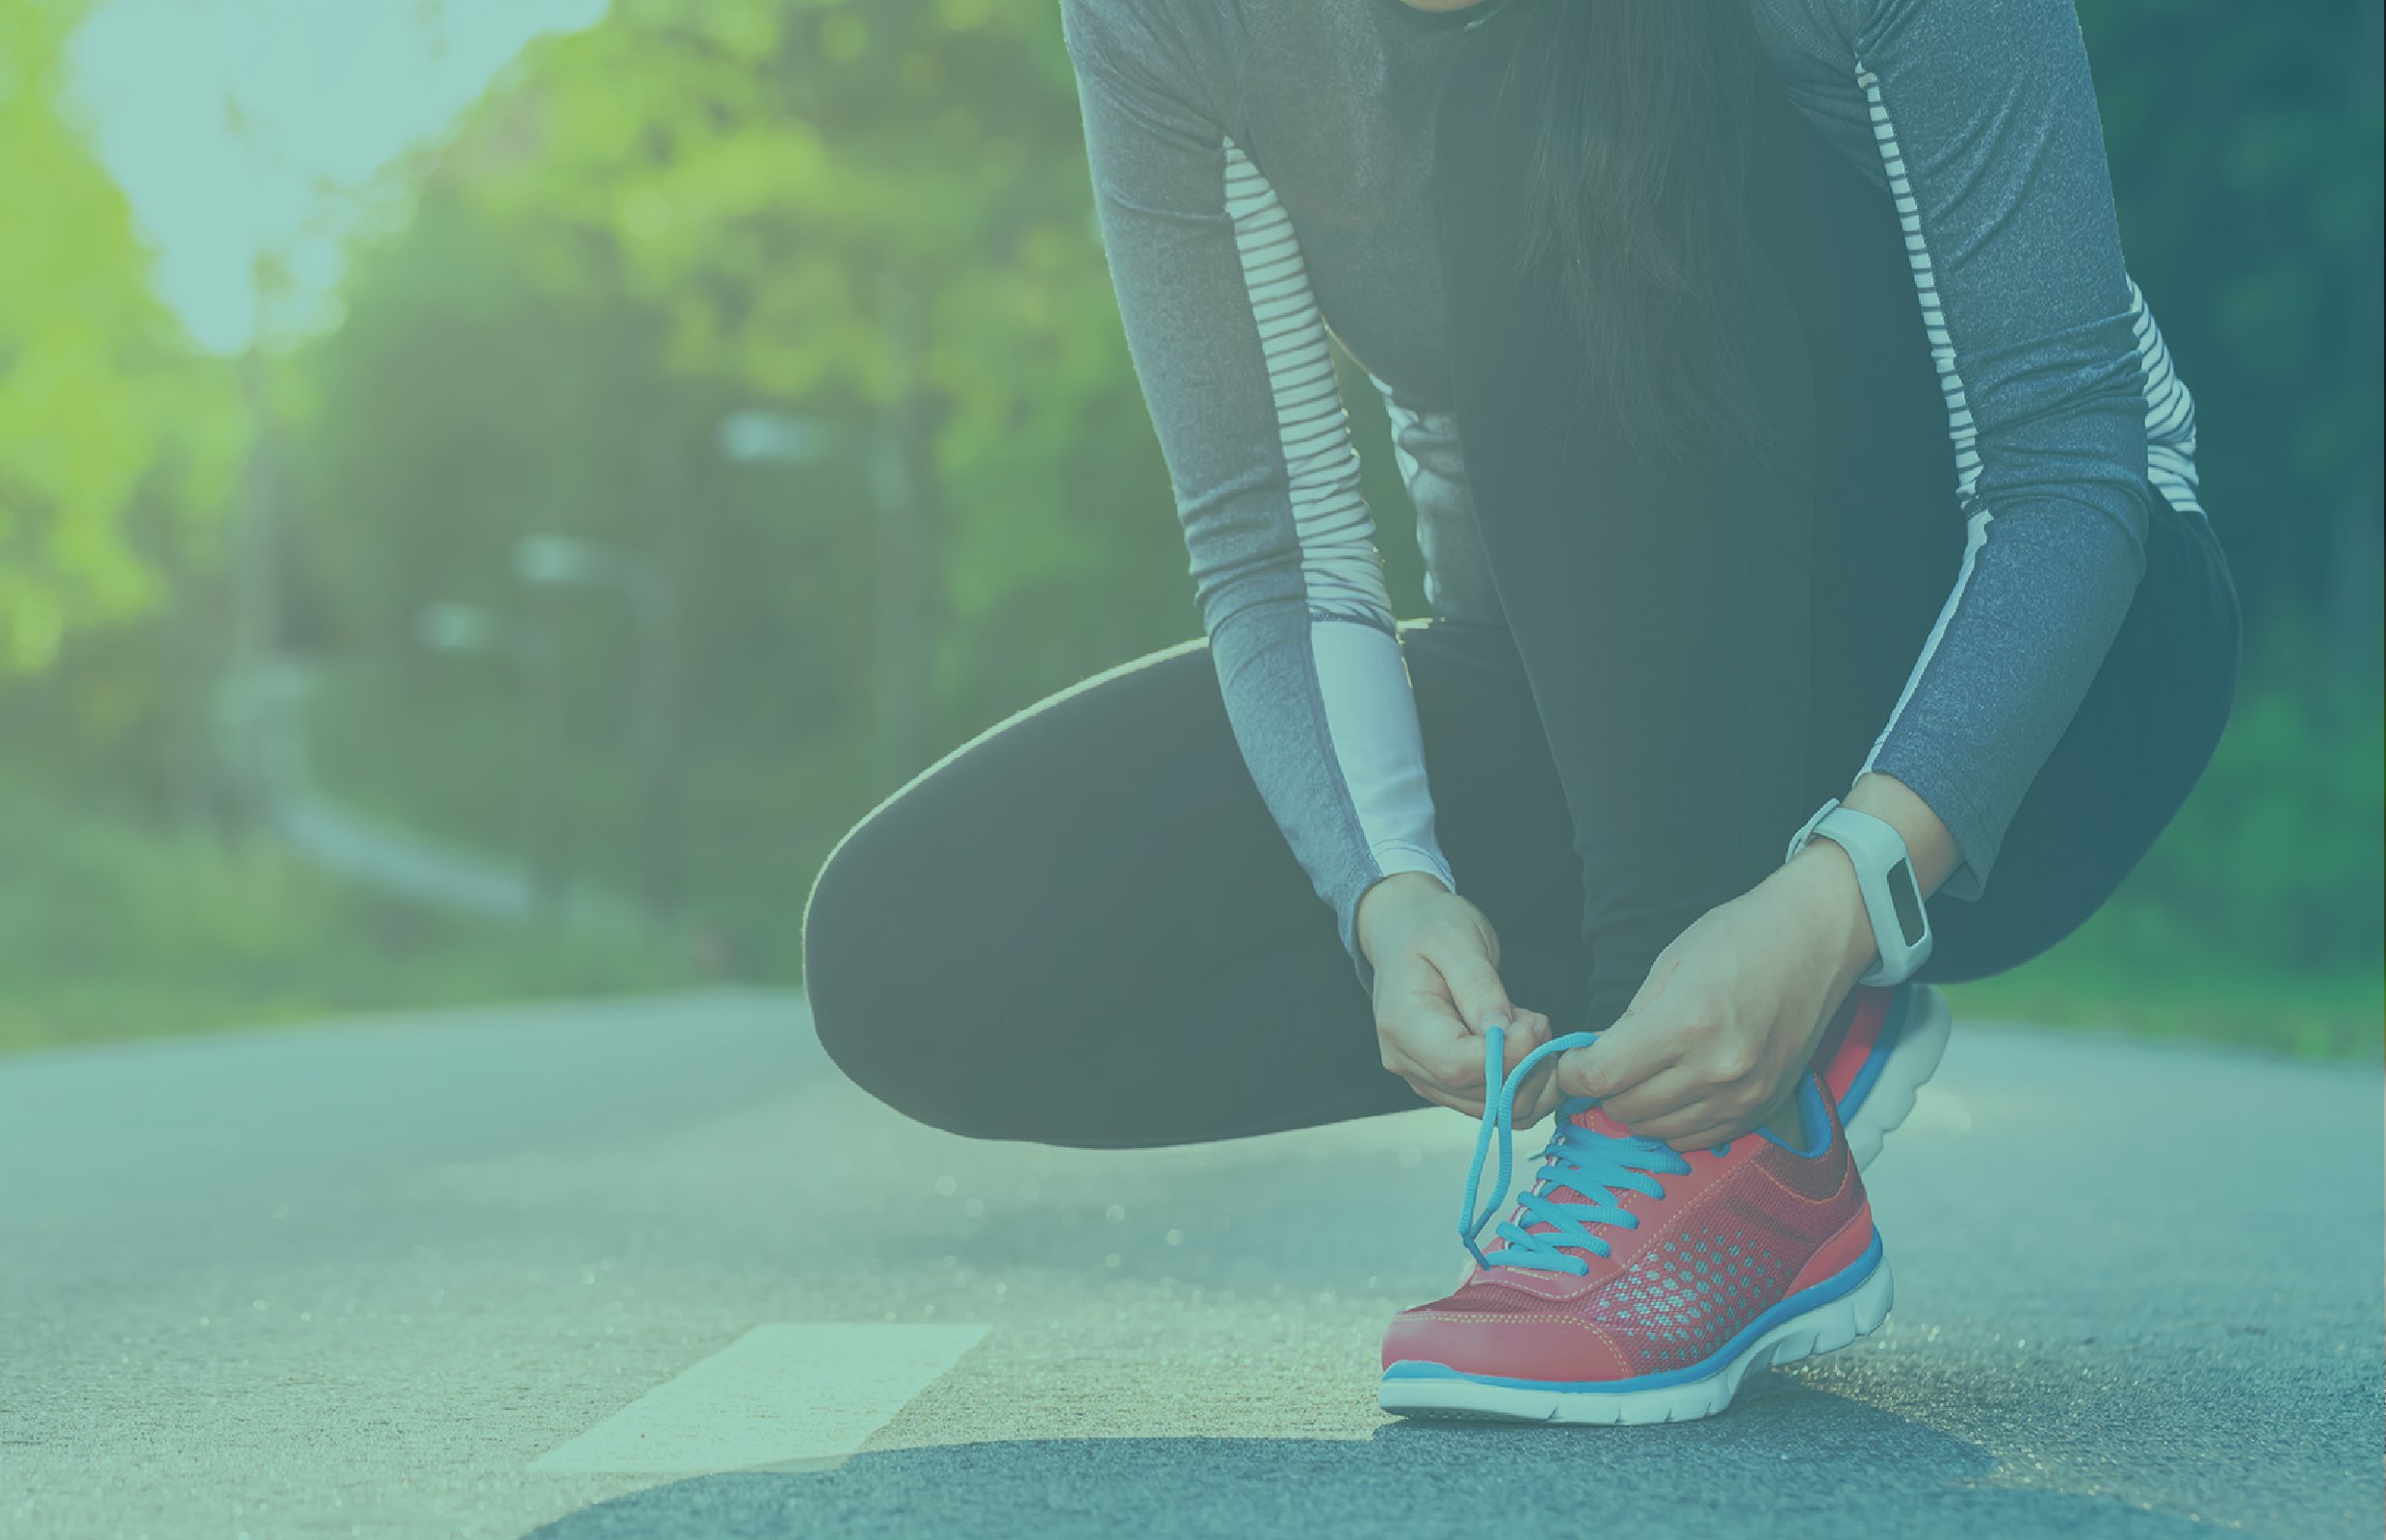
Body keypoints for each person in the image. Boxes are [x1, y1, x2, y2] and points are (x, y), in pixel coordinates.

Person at [801, 0, 2241, 1423]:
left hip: (2038, 708)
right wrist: (1391, 896)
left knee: (1540, 89)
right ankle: (1720, 1011)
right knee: (913, 951)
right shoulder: (1176, 20)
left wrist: (1840, 898)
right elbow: (1275, 545)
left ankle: (1722, 1142)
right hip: (1620, 701)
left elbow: (2069, 470)